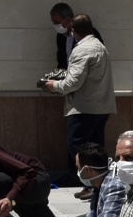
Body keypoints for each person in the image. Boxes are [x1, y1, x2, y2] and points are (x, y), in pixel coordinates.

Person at [45, 13, 116, 171]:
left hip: (84, 108)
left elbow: (73, 82)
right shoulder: (100, 46)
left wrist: (54, 85)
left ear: (73, 30)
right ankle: (96, 180)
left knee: (77, 148)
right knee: (95, 149)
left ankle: (85, 179)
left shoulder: (82, 50)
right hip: (100, 107)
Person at [50, 2, 75, 72]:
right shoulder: (60, 36)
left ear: (68, 20)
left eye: (56, 22)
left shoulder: (86, 33)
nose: (55, 25)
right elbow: (61, 60)